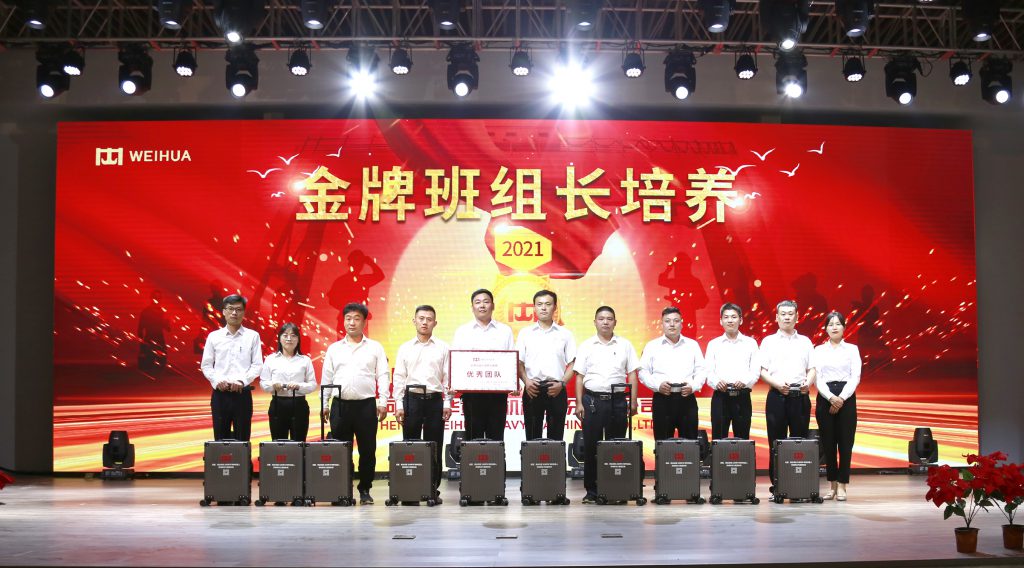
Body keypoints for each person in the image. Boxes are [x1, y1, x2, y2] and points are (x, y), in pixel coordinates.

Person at [320, 303, 390, 505]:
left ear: (364, 322)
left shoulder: (375, 347)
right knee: (341, 450)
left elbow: (383, 375)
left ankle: (365, 490)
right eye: (348, 318)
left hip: (365, 406)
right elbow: (327, 378)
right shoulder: (334, 349)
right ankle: (343, 490)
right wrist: (325, 404)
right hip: (340, 406)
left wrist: (383, 401)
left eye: (356, 318)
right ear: (343, 321)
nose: (352, 322)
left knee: (367, 450)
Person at [573, 306, 640, 504]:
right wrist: (579, 403)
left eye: (609, 318)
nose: (605, 322)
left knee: (616, 448)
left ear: (615, 322)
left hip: (618, 401)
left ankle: (615, 489)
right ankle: (592, 491)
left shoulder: (625, 345)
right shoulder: (586, 345)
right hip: (592, 401)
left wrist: (633, 401)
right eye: (601, 318)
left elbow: (632, 374)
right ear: (595, 322)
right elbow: (579, 377)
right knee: (591, 447)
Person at [393, 305, 451, 503]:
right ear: (414, 321)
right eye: (421, 318)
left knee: (434, 445)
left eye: (429, 319)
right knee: (410, 445)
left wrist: (447, 402)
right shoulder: (405, 348)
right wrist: (399, 405)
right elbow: (399, 378)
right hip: (412, 399)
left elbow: (448, 378)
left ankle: (432, 489)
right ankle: (411, 490)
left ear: (435, 323)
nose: (425, 322)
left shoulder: (443, 347)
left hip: (434, 400)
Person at [759, 299, 816, 493]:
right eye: (783, 314)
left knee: (800, 442)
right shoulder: (768, 341)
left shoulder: (805, 341)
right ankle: (777, 485)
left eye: (790, 314)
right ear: (776, 317)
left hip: (800, 396)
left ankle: (799, 485)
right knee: (776, 442)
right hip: (777, 396)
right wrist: (777, 384)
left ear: (797, 317)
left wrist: (808, 384)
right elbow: (762, 370)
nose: (787, 317)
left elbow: (812, 368)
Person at [451, 289, 515, 441]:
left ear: (493, 306)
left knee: (496, 437)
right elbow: (457, 361)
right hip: (472, 395)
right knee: (473, 437)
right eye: (477, 302)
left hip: (498, 394)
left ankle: (497, 458)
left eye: (486, 302)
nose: (482, 305)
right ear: (472, 307)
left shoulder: (505, 331)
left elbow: (511, 360)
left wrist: (514, 383)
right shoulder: (462, 331)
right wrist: (454, 383)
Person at [812, 311, 861, 501]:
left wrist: (841, 398)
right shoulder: (818, 350)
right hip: (826, 397)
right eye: (830, 324)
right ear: (825, 328)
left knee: (846, 443)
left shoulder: (852, 349)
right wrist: (831, 397)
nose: (834, 327)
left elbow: (855, 376)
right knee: (828, 443)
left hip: (846, 397)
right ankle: (832, 484)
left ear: (844, 327)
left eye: (838, 324)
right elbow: (817, 377)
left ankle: (842, 485)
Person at [200, 294, 263, 441]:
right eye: (230, 309)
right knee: (220, 440)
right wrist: (217, 381)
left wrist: (242, 381)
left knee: (243, 440)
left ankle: (244, 458)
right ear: (224, 311)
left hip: (242, 394)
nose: (234, 313)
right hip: (220, 394)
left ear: (244, 312)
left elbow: (257, 365)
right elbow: (206, 365)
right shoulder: (214, 336)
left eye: (238, 309)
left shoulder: (252, 336)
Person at [638, 307, 705, 441]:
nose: (672, 324)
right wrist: (657, 385)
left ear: (682, 323)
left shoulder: (692, 345)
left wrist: (693, 386)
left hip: (687, 398)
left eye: (676, 321)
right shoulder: (652, 346)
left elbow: (702, 370)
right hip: (662, 398)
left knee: (690, 444)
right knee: (662, 443)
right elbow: (642, 372)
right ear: (662, 324)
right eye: (667, 321)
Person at [517, 290, 576, 441]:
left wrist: (562, 384)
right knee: (532, 437)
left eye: (548, 304)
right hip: (532, 388)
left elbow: (572, 363)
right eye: (539, 304)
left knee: (556, 438)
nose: (543, 308)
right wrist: (526, 381)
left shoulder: (565, 334)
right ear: (534, 308)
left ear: (554, 307)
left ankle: (555, 459)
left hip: (556, 389)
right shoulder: (525, 333)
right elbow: (519, 362)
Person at [705, 303, 760, 439]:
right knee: (718, 438)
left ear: (741, 320)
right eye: (726, 317)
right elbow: (708, 371)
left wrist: (744, 381)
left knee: (742, 439)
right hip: (720, 396)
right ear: (721, 321)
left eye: (734, 317)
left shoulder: (750, 343)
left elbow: (755, 371)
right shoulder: (713, 344)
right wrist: (717, 382)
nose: (730, 320)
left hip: (742, 396)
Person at [259, 323, 316, 442]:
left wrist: (299, 386)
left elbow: (312, 384)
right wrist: (273, 385)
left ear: (298, 339)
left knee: (299, 443)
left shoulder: (305, 360)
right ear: (279, 338)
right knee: (279, 444)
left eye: (293, 335)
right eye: (285, 335)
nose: (289, 339)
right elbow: (263, 382)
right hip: (278, 404)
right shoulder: (270, 359)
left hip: (299, 404)